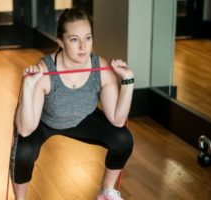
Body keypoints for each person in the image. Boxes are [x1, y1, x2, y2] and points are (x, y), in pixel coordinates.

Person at [10, 8, 134, 200]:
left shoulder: (101, 68)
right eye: (74, 39)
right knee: (25, 151)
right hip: (45, 120)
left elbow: (118, 120)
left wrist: (127, 80)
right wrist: (28, 87)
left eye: (88, 38)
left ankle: (106, 192)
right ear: (60, 41)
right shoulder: (45, 70)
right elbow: (26, 129)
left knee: (124, 139)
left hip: (83, 117)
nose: (83, 47)